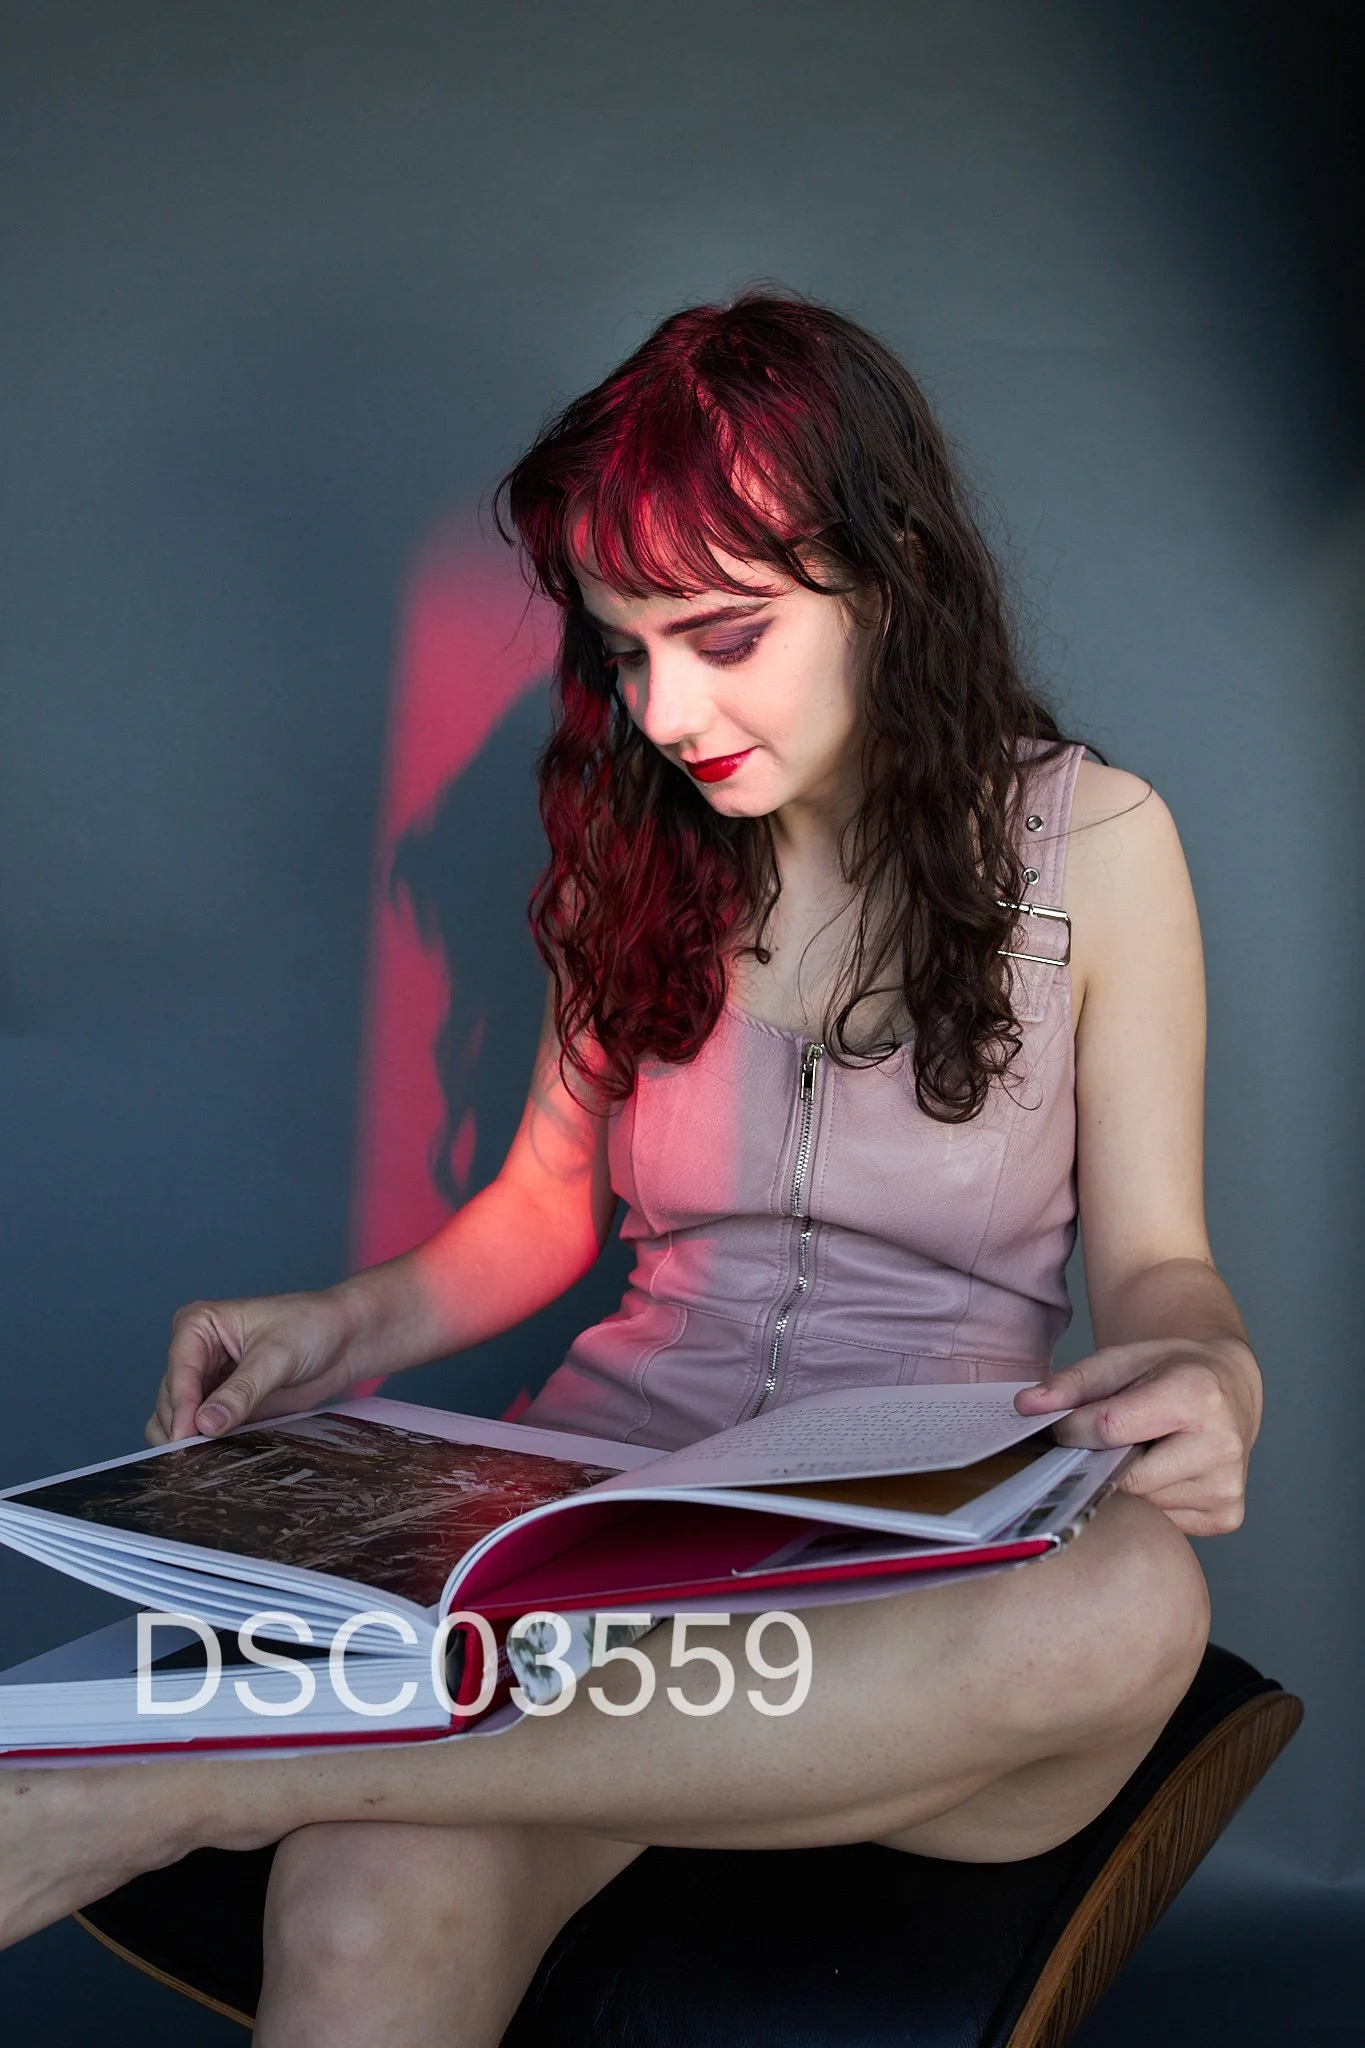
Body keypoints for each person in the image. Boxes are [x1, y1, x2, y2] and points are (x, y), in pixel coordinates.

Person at [1, 294, 1261, 2047]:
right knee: (365, 1895)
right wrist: (337, 1326)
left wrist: (1210, 1368)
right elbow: (543, 1206)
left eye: (724, 635)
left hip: (908, 1570)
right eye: (626, 650)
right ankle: (331, 1768)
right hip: (608, 1521)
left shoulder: (1099, 845)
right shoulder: (633, 847)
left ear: (892, 569)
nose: (667, 708)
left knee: (1128, 1607)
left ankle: (203, 1776)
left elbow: (1157, 1260)